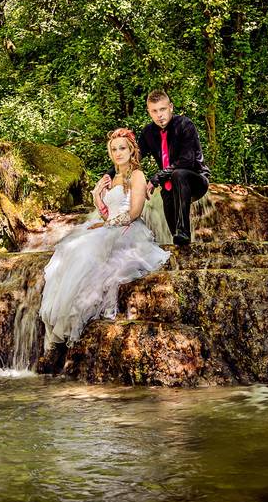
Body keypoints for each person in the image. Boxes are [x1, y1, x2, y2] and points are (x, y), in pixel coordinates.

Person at [39, 128, 170, 351]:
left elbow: (135, 212)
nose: (118, 153)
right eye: (113, 149)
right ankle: (64, 317)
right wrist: (97, 197)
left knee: (89, 251)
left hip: (129, 229)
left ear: (131, 150)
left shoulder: (137, 175)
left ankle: (75, 313)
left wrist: (109, 224)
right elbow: (106, 213)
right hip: (111, 226)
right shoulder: (111, 178)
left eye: (122, 148)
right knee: (71, 248)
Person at [97, 90, 209, 246]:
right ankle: (181, 241)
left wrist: (156, 178)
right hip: (169, 185)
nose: (159, 115)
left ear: (170, 107)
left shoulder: (185, 125)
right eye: (154, 111)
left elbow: (187, 161)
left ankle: (184, 230)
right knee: (176, 235)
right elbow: (134, 156)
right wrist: (108, 176)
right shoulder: (149, 132)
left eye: (162, 109)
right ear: (149, 112)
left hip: (194, 180)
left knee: (179, 174)